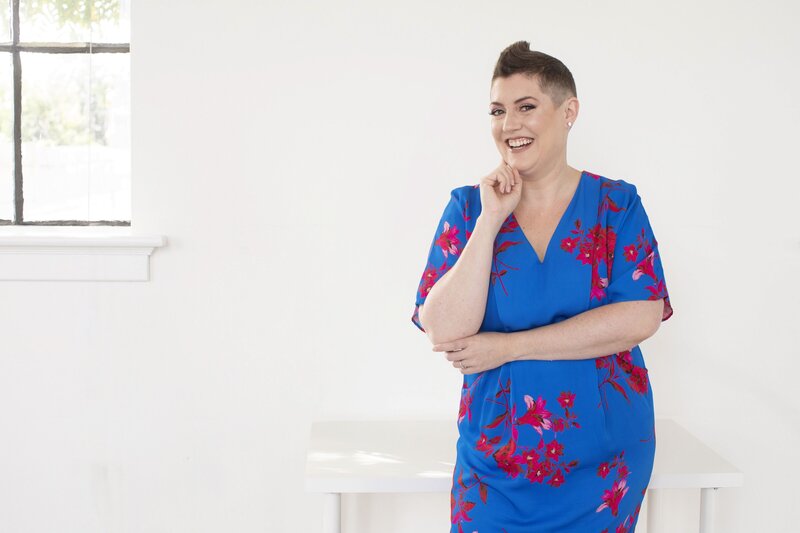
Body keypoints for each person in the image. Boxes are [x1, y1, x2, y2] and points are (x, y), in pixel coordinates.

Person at [411, 41, 673, 532]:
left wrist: (508, 348)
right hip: (494, 465)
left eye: (526, 107)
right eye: (497, 111)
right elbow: (442, 329)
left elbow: (640, 317)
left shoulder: (616, 206)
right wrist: (490, 223)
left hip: (604, 461)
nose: (509, 125)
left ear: (568, 111)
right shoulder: (470, 209)